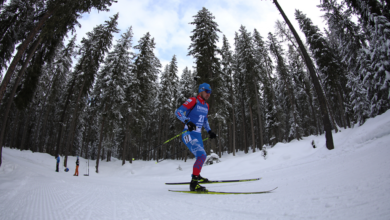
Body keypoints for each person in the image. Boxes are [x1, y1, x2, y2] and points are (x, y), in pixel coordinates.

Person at [175, 83, 217, 191]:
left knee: (201, 156)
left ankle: (197, 176)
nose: (208, 94)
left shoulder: (206, 106)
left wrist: (209, 131)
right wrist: (186, 121)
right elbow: (178, 111)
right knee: (202, 155)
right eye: (207, 92)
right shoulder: (193, 100)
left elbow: (205, 120)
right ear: (201, 91)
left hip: (198, 135)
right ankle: (193, 184)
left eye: (210, 92)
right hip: (188, 133)